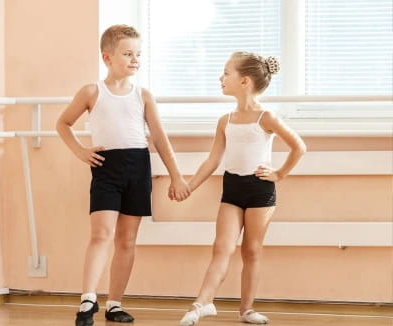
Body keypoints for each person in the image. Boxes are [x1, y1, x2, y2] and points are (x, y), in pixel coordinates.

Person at [56, 24, 190, 326]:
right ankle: (87, 299)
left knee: (127, 240)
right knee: (101, 233)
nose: (135, 59)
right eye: (128, 54)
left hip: (138, 166)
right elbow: (63, 124)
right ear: (107, 57)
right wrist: (80, 151)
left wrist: (177, 176)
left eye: (138, 54)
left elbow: (159, 138)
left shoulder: (143, 96)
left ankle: (114, 304)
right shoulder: (92, 92)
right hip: (106, 168)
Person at [178, 52, 306, 325]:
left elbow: (299, 146)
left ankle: (246, 309)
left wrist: (280, 173)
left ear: (244, 81)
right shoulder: (226, 120)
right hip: (232, 188)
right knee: (222, 247)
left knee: (251, 250)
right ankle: (203, 303)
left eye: (226, 72)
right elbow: (212, 160)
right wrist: (189, 186)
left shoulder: (266, 117)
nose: (221, 78)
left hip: (260, 190)